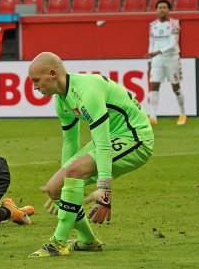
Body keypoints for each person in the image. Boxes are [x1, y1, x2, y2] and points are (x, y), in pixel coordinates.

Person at [27, 52, 154, 258]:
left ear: (52, 73)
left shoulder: (87, 91)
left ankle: (57, 243)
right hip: (107, 139)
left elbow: (103, 142)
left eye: (36, 80)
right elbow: (70, 142)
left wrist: (104, 188)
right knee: (53, 188)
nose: (34, 87)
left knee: (73, 173)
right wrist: (63, 180)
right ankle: (87, 241)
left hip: (135, 138)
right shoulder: (61, 99)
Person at [145, 0, 186, 126]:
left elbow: (173, 43)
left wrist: (158, 52)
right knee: (154, 85)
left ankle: (183, 113)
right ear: (156, 10)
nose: (162, 9)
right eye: (159, 7)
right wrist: (151, 59)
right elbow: (152, 43)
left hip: (171, 58)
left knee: (175, 86)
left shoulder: (174, 23)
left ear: (168, 9)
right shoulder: (153, 25)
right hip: (157, 60)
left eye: (164, 7)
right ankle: (152, 116)